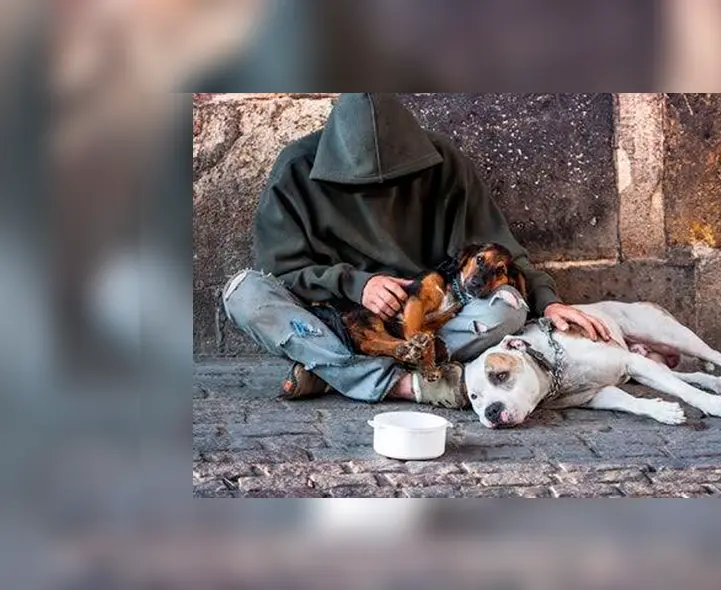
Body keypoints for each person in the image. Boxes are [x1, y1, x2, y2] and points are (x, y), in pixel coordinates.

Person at [221, 93, 611, 409]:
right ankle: (410, 386)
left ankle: (330, 370)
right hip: (334, 318)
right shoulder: (295, 168)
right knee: (243, 293)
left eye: (394, 180)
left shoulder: (442, 161)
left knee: (508, 306)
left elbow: (498, 250)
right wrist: (356, 284)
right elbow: (281, 272)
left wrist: (547, 301)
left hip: (426, 321)